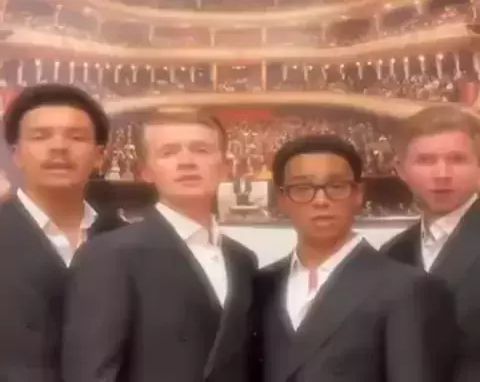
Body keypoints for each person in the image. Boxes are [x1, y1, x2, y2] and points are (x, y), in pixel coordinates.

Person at [62, 107, 259, 382]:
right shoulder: (108, 255)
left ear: (225, 166)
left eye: (201, 150)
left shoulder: (243, 261)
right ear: (146, 172)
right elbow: (91, 372)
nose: (187, 161)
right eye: (169, 152)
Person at [255, 134, 457, 382]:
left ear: (358, 194)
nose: (321, 200)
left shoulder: (408, 288)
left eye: (336, 186)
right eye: (303, 188)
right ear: (282, 199)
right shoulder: (262, 284)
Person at [0, 83, 127, 382]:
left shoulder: (130, 243)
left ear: (99, 156)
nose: (58, 146)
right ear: (16, 154)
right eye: (40, 136)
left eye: (76, 136)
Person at [382, 106, 480, 382]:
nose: (442, 173)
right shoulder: (391, 254)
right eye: (425, 160)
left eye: (457, 159)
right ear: (401, 170)